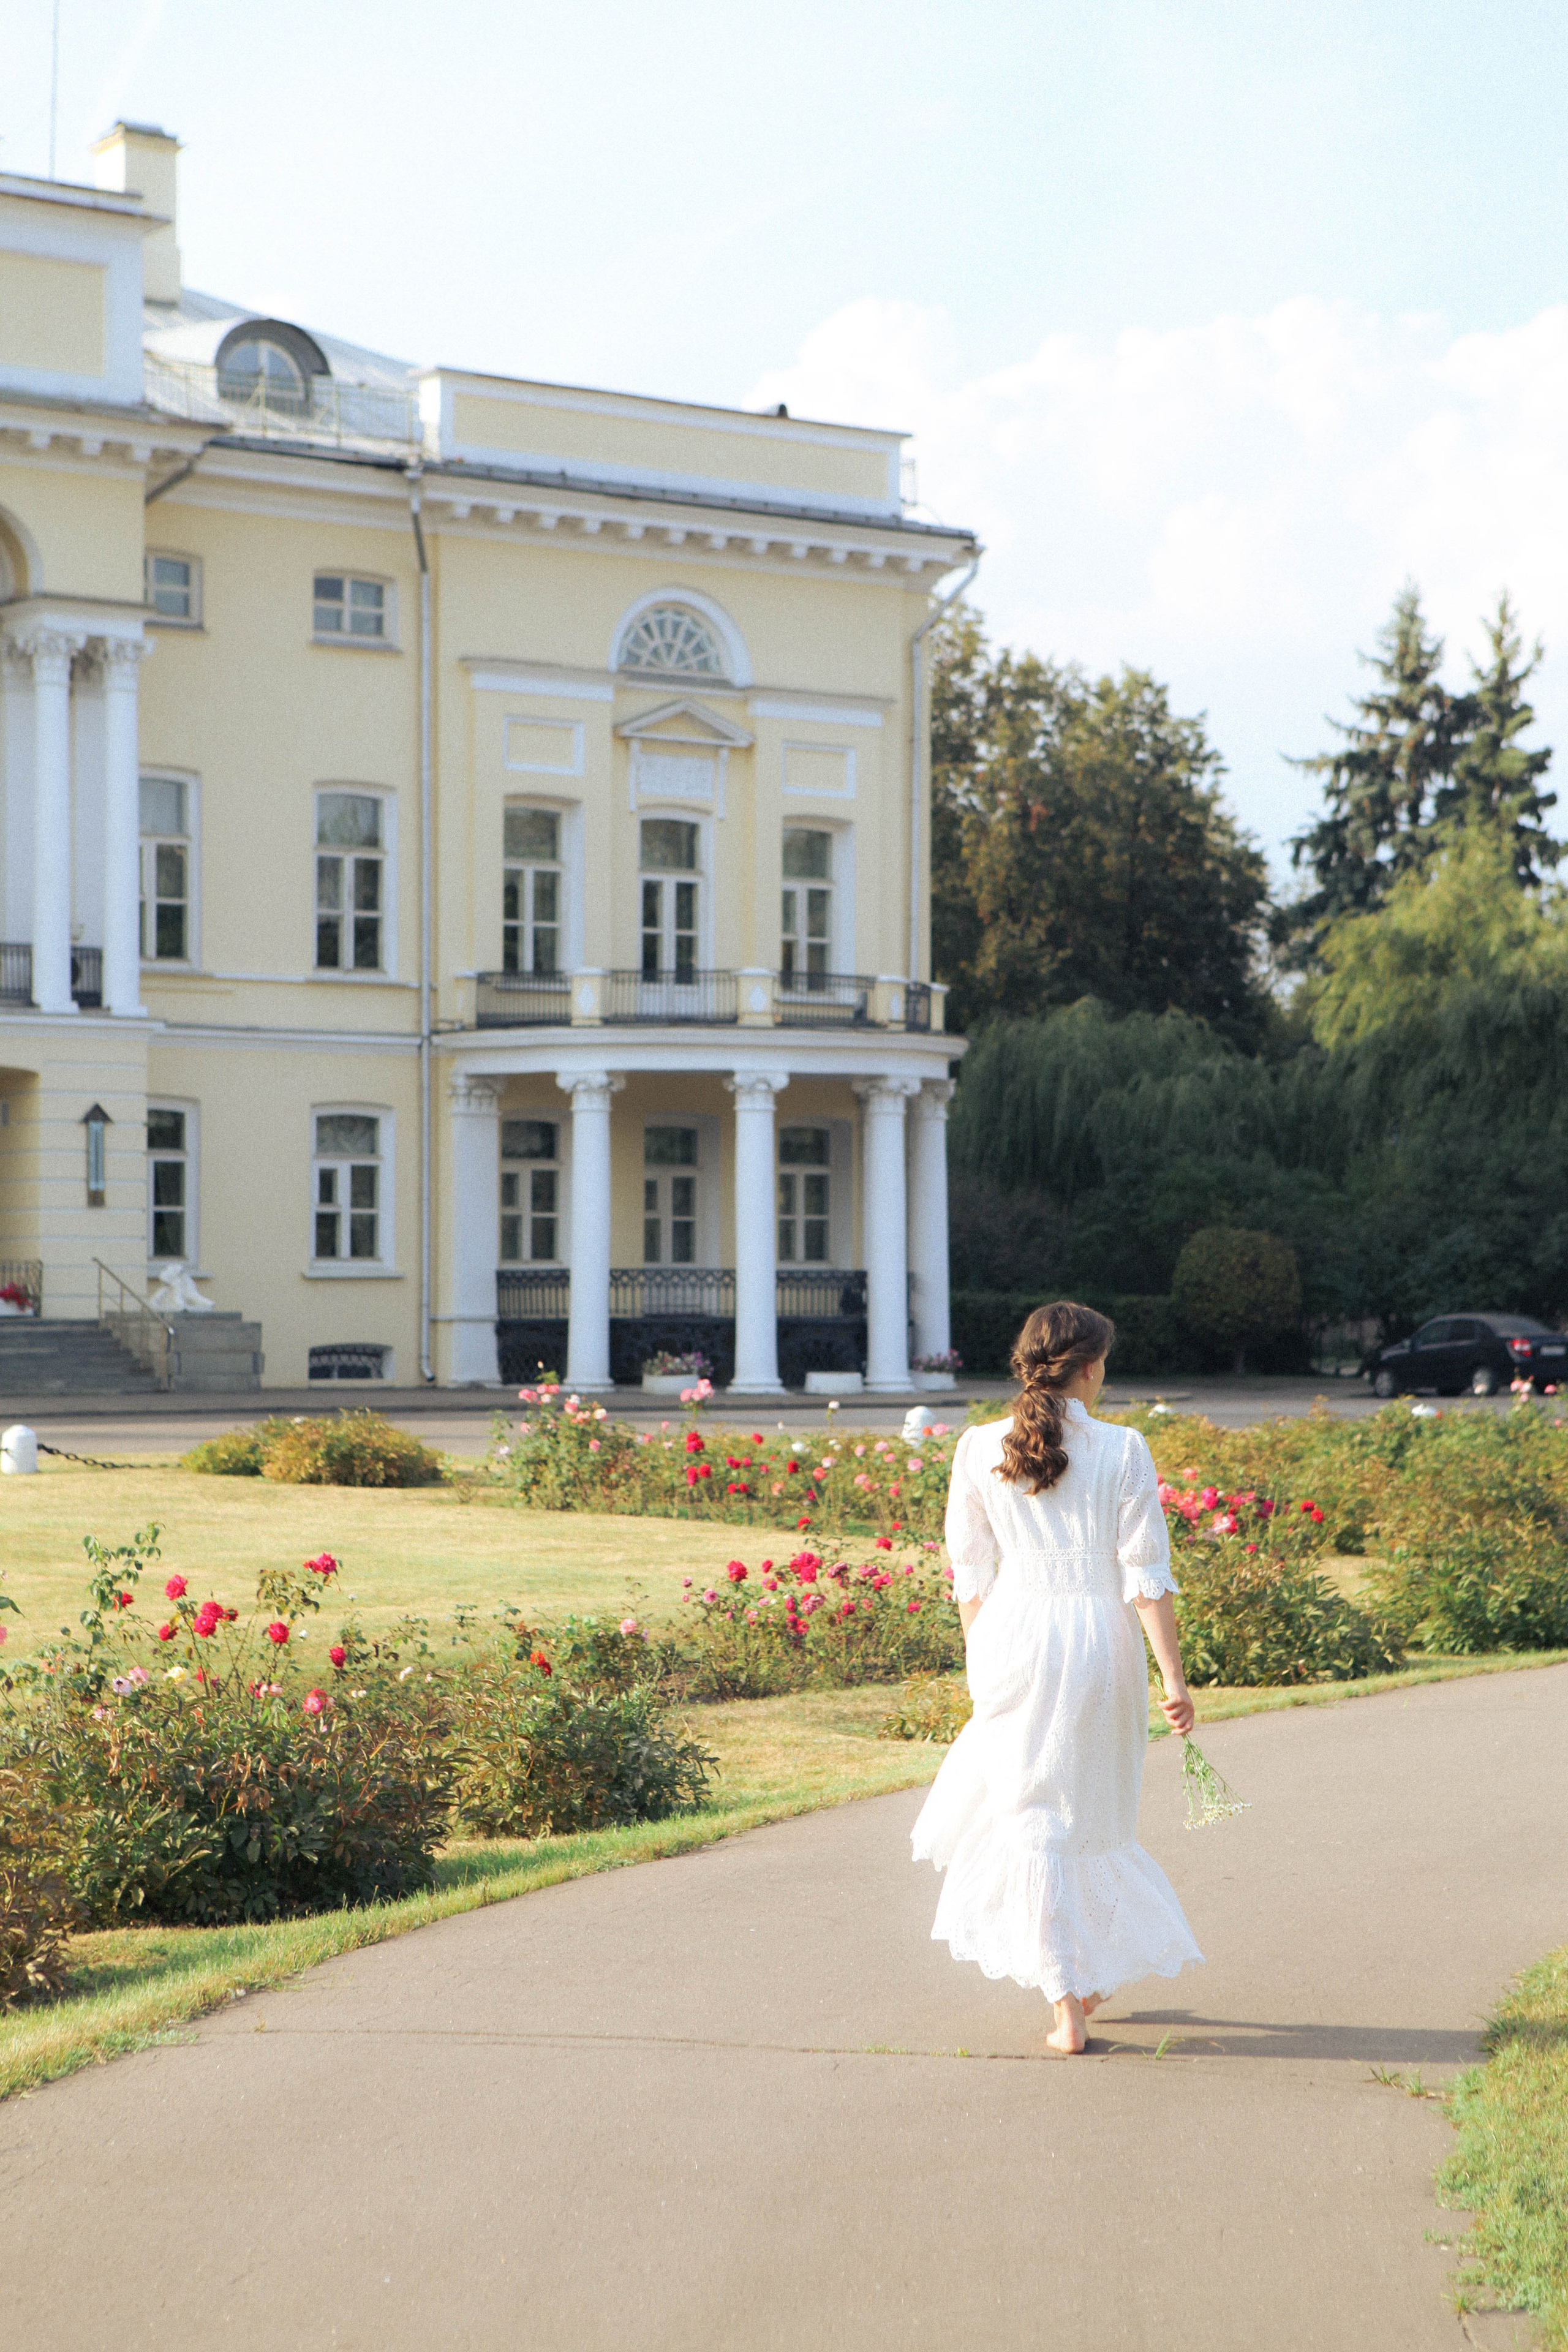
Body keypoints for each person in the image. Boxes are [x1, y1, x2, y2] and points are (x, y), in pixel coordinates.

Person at [911, 1300, 1204, 2054]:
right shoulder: (1123, 1448)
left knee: (1031, 1815)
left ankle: (1064, 2001)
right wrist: (1173, 1677)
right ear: (1089, 1365)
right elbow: (1146, 1576)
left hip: (1012, 1636)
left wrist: (983, 1665)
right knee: (1094, 1814)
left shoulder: (977, 1446)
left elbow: (970, 1574)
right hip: (1097, 1641)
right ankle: (1085, 1980)